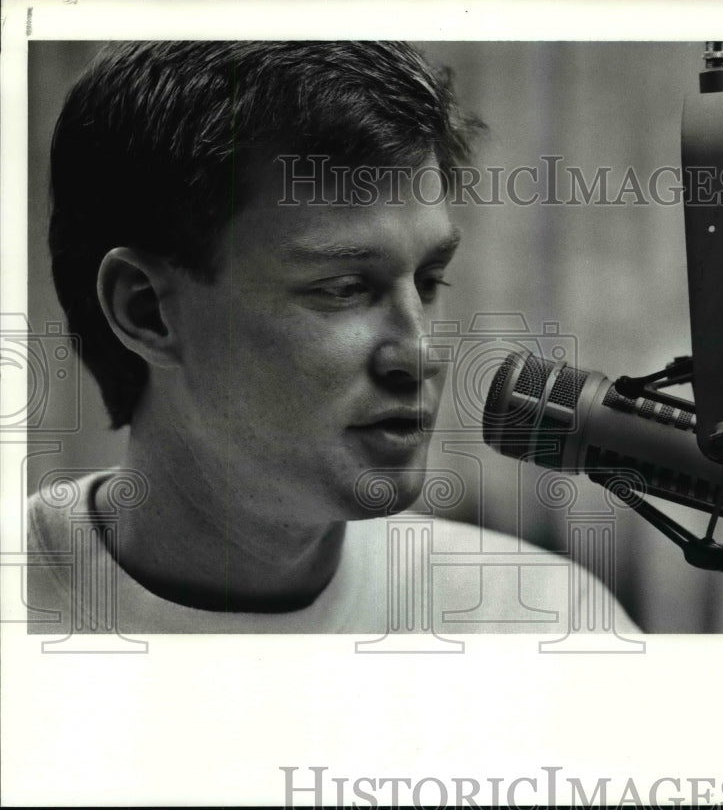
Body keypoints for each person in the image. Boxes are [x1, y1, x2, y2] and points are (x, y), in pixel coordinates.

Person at [27, 41, 641, 637]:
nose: (421, 355)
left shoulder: (541, 622)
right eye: (344, 288)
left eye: (429, 280)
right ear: (147, 312)